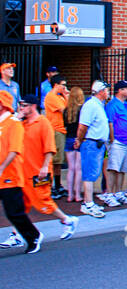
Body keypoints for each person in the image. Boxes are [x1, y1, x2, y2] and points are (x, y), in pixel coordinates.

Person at [2, 94, 78, 246]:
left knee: (42, 202)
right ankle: (16, 234)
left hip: (39, 171)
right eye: (20, 105)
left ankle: (67, 220)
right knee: (20, 205)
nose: (21, 108)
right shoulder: (21, 124)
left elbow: (49, 148)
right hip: (23, 171)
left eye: (24, 106)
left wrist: (44, 166)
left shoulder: (43, 123)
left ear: (33, 106)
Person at [0, 90, 42, 253]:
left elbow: (14, 149)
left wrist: (2, 168)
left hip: (10, 176)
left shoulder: (14, 124)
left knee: (14, 213)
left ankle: (33, 237)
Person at [77, 80, 110, 219]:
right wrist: (80, 140)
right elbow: (83, 126)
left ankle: (88, 202)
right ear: (101, 91)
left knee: (93, 173)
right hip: (91, 143)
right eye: (106, 90)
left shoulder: (98, 105)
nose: (108, 92)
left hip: (97, 143)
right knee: (89, 174)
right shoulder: (90, 105)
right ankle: (88, 203)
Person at [103, 81, 127, 206]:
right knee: (113, 168)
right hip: (117, 141)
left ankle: (118, 193)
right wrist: (112, 140)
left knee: (123, 169)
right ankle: (109, 194)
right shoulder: (112, 105)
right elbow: (110, 122)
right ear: (120, 90)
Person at [44, 75, 68, 197]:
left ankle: (58, 185)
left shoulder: (60, 97)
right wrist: (66, 95)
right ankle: (51, 186)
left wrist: (65, 95)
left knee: (58, 161)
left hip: (61, 130)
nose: (64, 87)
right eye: (63, 85)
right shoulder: (51, 97)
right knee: (53, 160)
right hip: (55, 130)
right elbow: (65, 111)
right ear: (56, 85)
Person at [64, 86, 85, 203]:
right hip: (79, 139)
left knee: (71, 169)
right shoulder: (82, 109)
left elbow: (65, 124)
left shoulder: (66, 110)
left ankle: (70, 194)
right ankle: (78, 194)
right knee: (79, 169)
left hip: (69, 138)